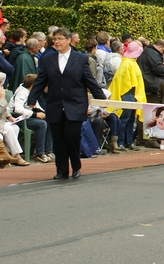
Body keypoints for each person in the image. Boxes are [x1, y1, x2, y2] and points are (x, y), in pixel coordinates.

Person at [27, 28, 106, 179]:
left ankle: (76, 165)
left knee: (71, 136)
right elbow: (41, 80)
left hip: (75, 103)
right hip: (55, 103)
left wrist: (100, 97)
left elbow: (89, 80)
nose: (57, 42)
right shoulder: (48, 59)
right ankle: (61, 170)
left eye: (60, 39)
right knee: (58, 138)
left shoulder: (80, 58)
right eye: (55, 39)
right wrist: (32, 98)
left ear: (69, 40)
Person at [107, 41, 147, 151]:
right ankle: (121, 142)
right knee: (125, 119)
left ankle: (128, 142)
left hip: (133, 94)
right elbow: (122, 81)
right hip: (127, 94)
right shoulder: (127, 63)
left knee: (130, 119)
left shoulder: (131, 62)